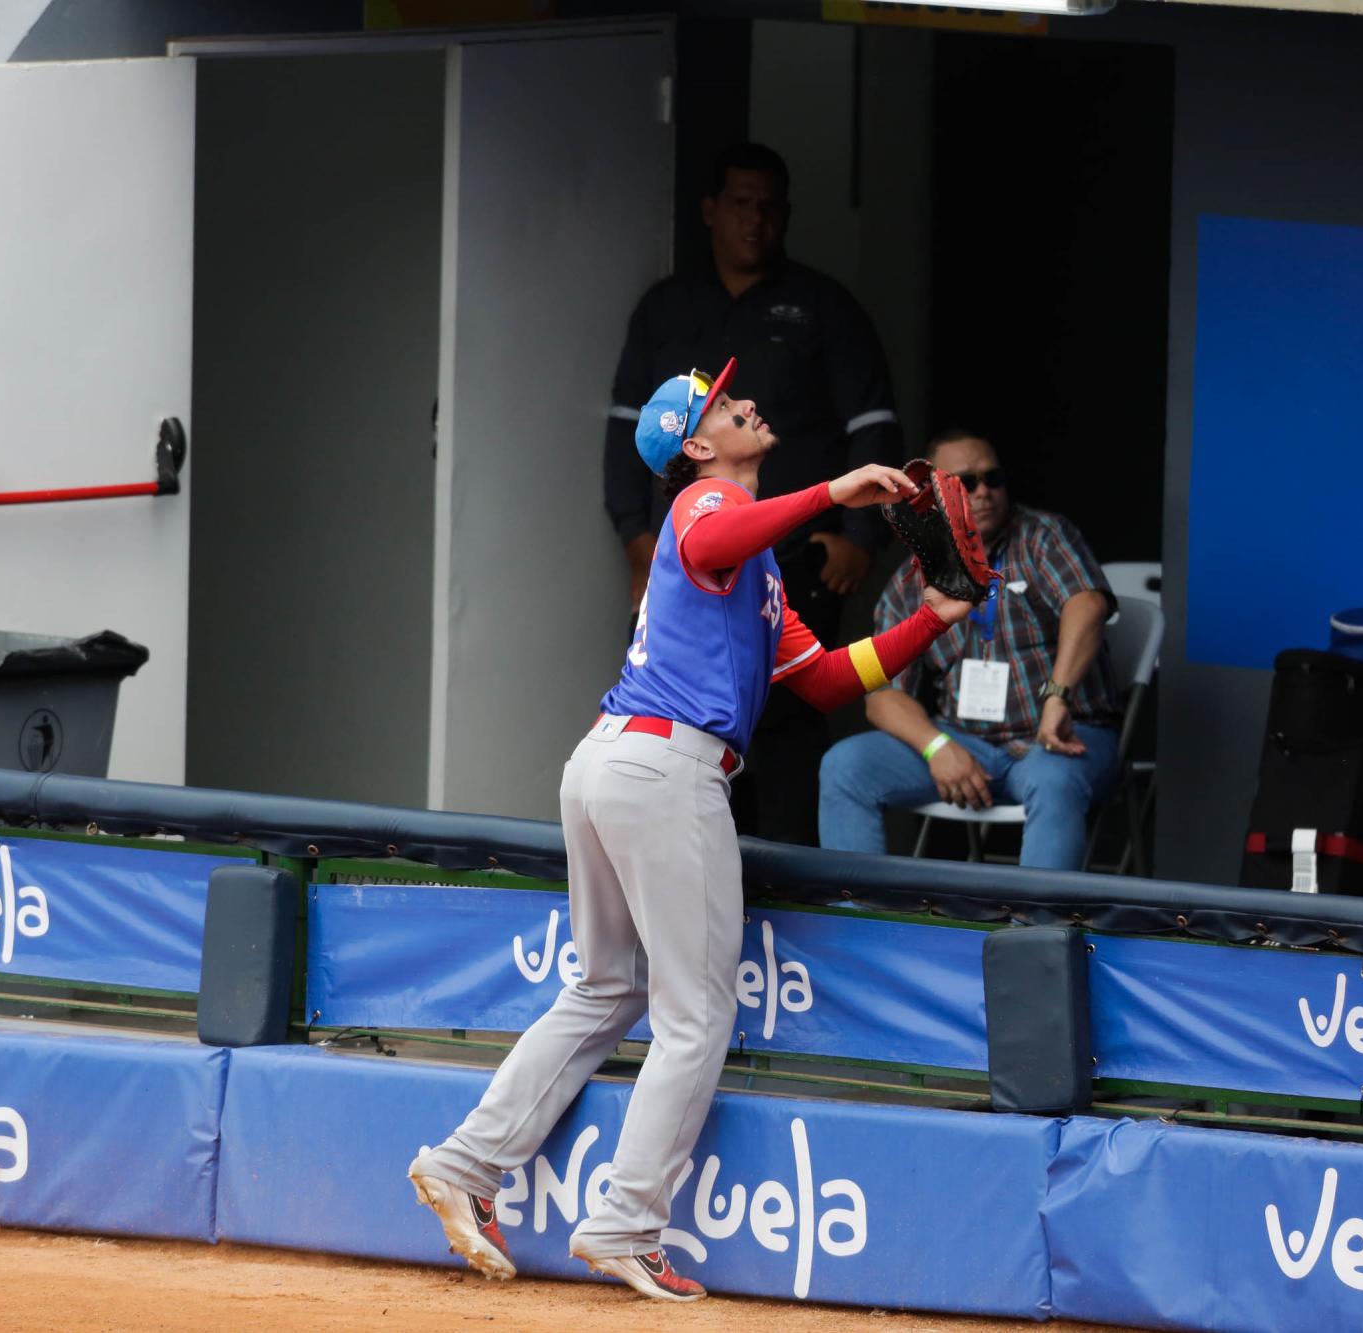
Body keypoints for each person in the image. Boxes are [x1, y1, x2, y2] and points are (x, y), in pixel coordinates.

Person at [410, 359, 969, 1302]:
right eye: (721, 403)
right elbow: (729, 522)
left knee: (607, 986)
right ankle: (626, 1220)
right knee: (695, 1012)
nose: (744, 399)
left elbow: (829, 678)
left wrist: (930, 618)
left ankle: (465, 1162)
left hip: (612, 762)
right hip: (661, 769)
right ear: (699, 444)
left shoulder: (750, 562)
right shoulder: (703, 506)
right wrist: (836, 489)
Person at [602, 143, 903, 846]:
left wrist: (862, 540)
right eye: (740, 202)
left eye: (770, 205)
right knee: (699, 734)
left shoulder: (824, 306)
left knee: (789, 729)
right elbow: (696, 525)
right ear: (710, 209)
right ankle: (721, 873)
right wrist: (635, 537)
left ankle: (786, 899)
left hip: (793, 562)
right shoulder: (668, 308)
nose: (756, 219)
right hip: (649, 768)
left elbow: (827, 679)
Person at [818, 428, 1122, 870]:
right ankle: (857, 922)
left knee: (1054, 783)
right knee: (845, 766)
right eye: (966, 482)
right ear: (930, 494)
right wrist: (936, 747)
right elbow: (883, 696)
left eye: (992, 478)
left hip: (1058, 737)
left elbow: (1088, 604)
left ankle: (1035, 933)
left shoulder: (1042, 535)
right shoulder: (911, 579)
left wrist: (1058, 696)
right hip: (964, 741)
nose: (983, 492)